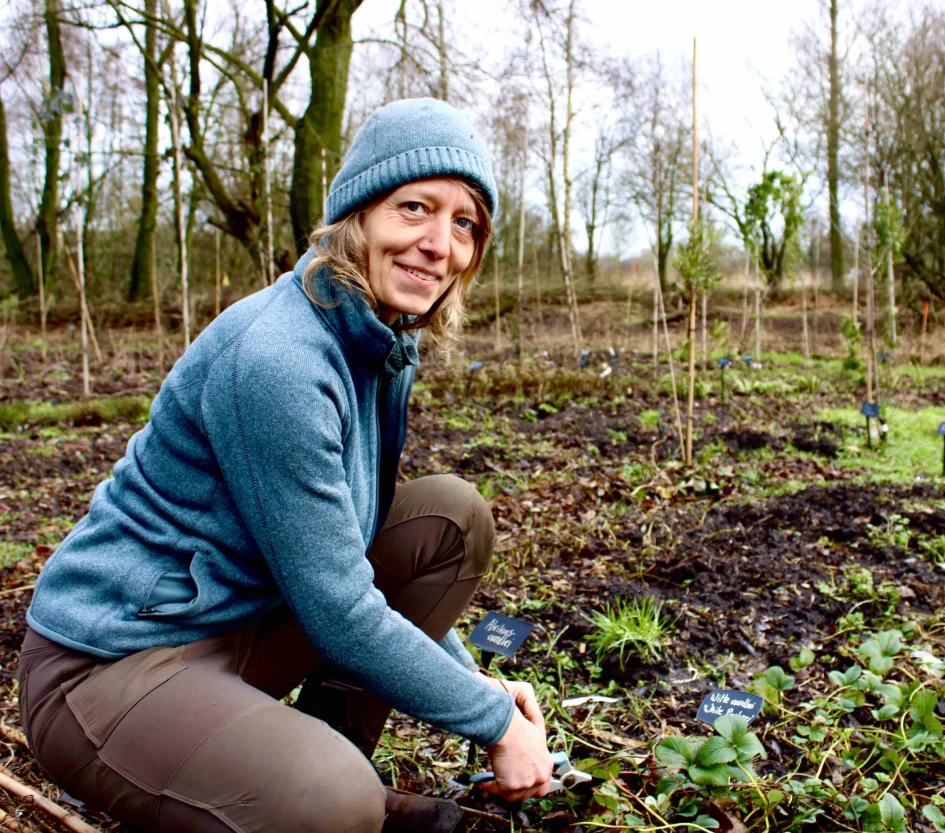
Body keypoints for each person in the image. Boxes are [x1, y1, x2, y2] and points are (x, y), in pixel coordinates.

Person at [19, 98, 552, 833]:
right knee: (329, 801)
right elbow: (338, 606)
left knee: (449, 518)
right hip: (112, 668)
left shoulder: (378, 337)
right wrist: (494, 721)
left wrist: (473, 680)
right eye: (416, 208)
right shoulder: (279, 357)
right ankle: (328, 798)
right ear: (357, 215)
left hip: (238, 621)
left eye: (465, 223)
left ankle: (320, 773)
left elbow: (348, 551)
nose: (439, 243)